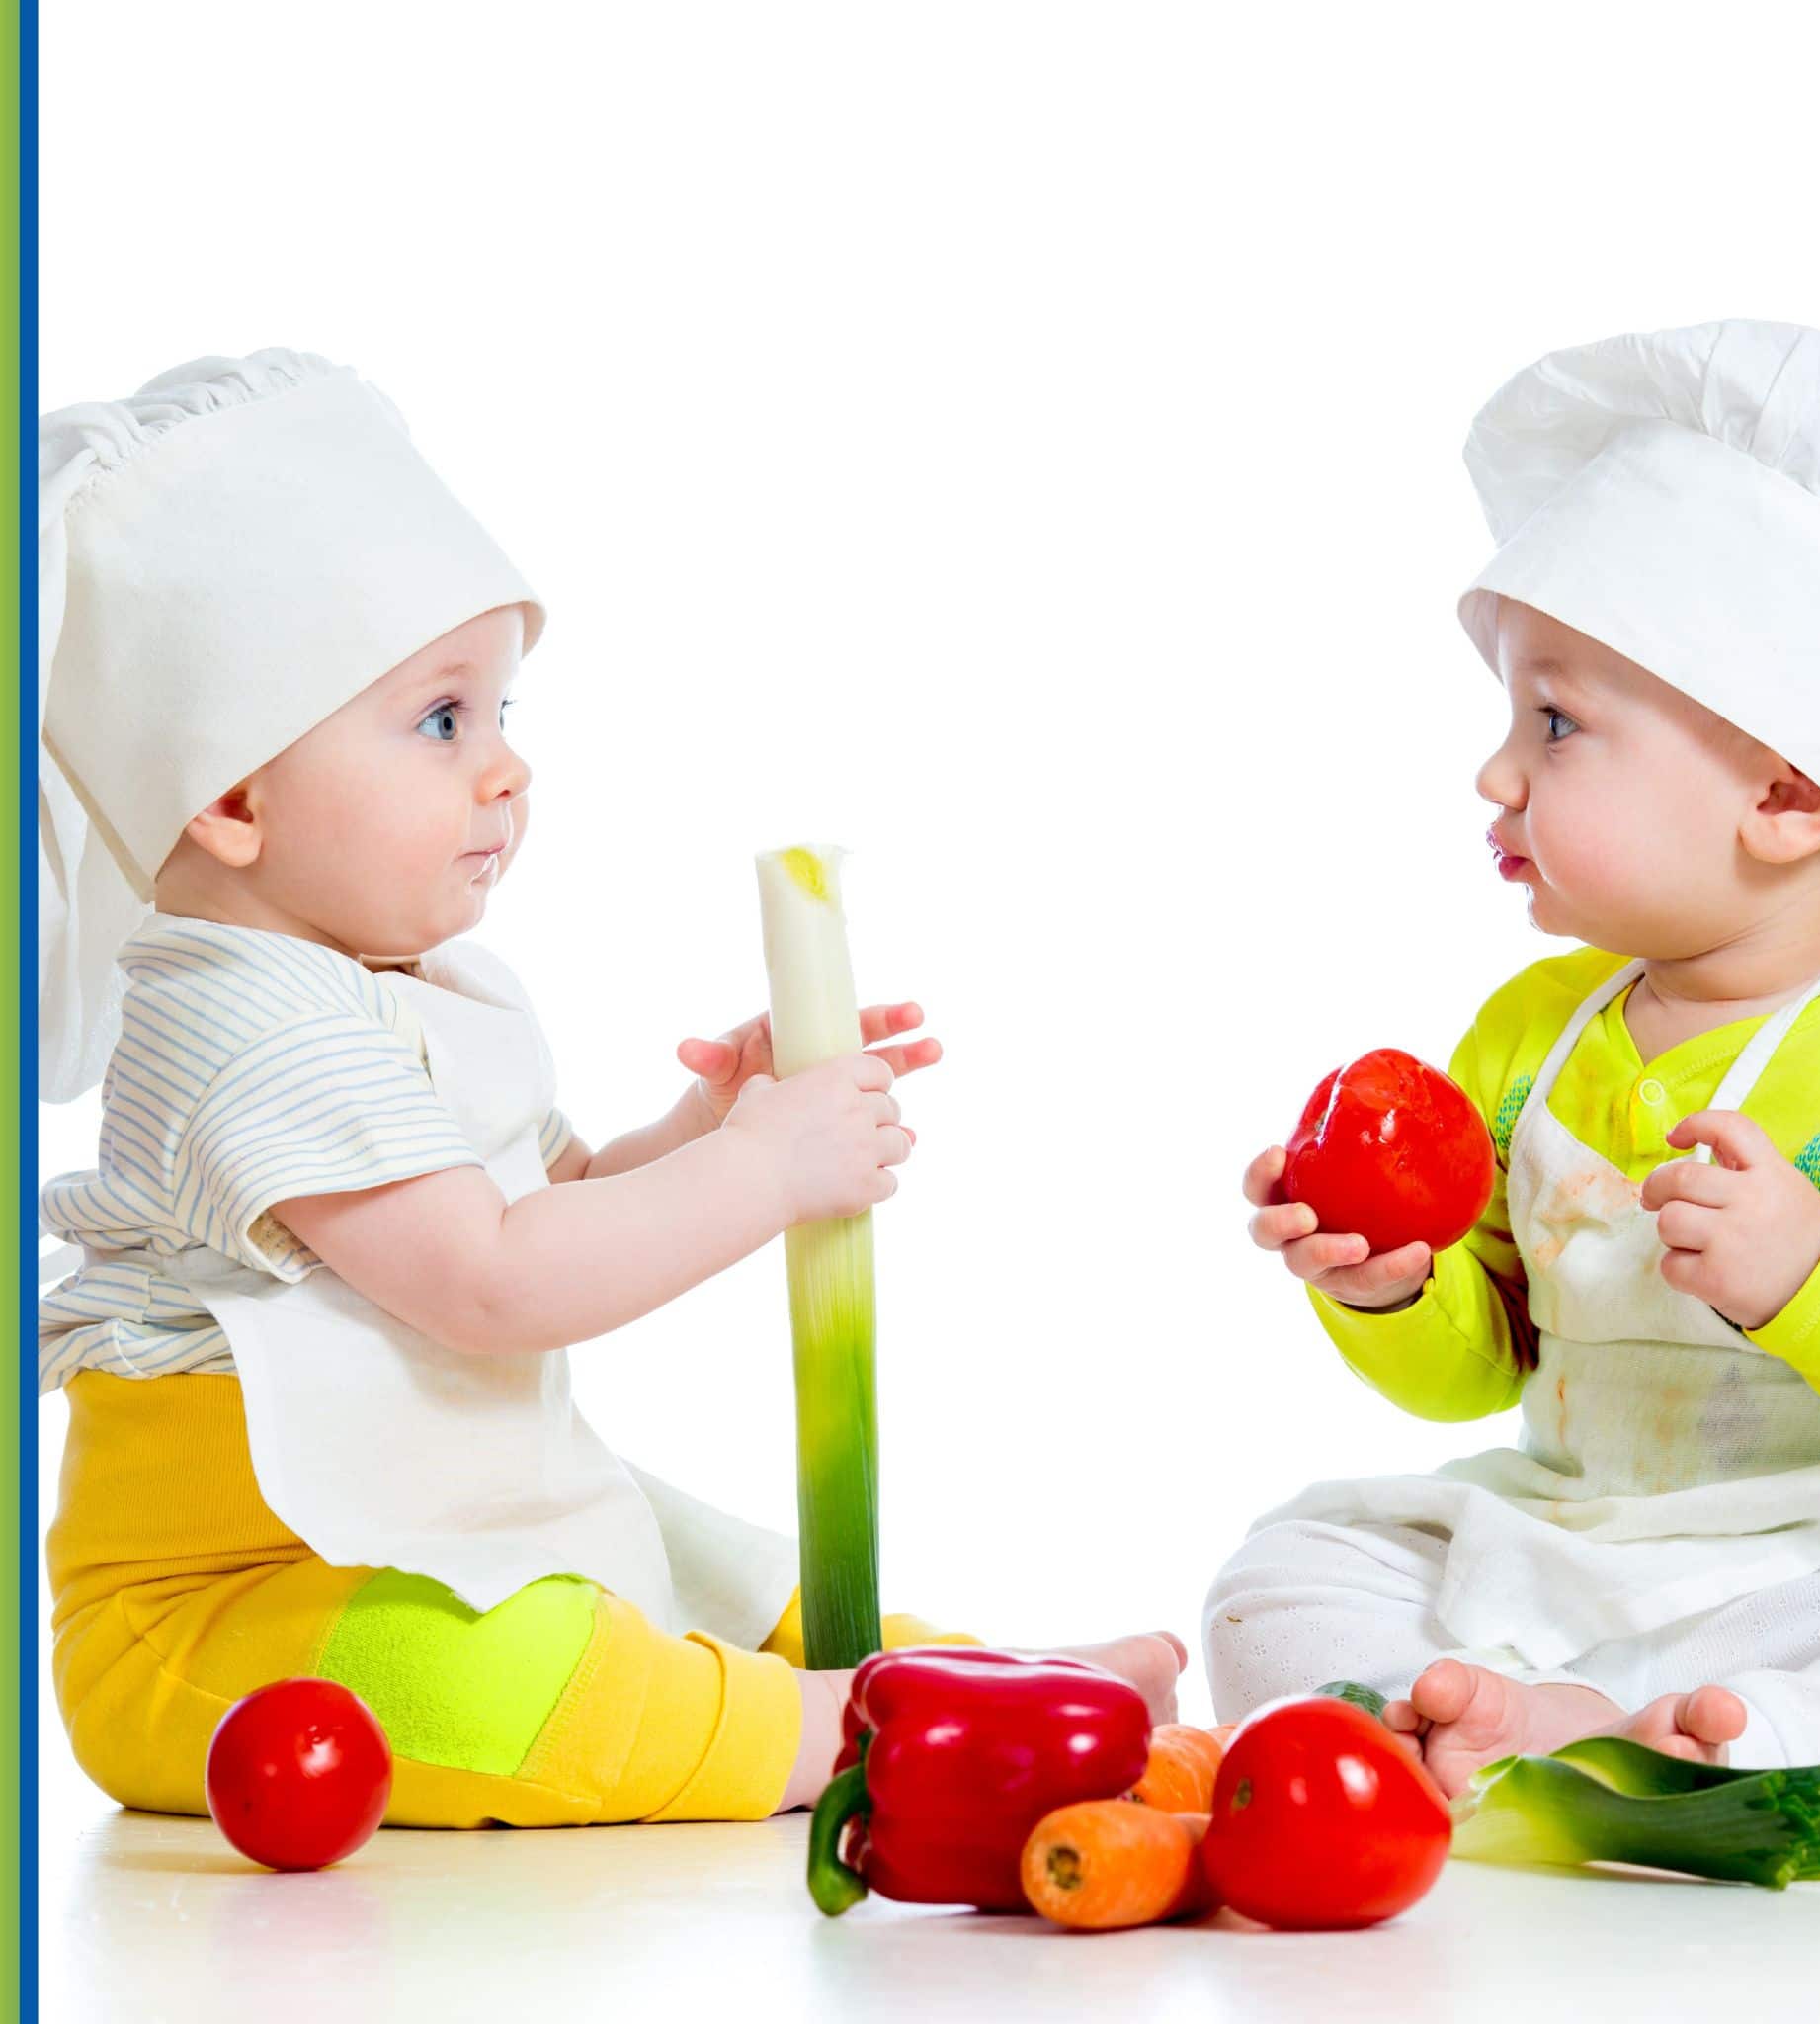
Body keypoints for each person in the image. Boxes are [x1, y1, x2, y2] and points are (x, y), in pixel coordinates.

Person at [38, 349, 1182, 1829]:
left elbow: (551, 1209)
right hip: (230, 1613)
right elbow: (495, 1287)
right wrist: (763, 1171)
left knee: (701, 1560)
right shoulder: (243, 1024)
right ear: (234, 795)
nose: (506, 770)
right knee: (519, 1679)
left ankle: (949, 1680)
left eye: (507, 714)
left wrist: (704, 1131)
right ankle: (853, 1735)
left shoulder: (400, 986)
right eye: (443, 720)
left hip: (405, 1532)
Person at [1207, 320, 1820, 1837]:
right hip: (1572, 1539)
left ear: (1790, 792)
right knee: (1285, 1570)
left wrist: (1819, 1277)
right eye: (1514, 717)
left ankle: (1737, 1730)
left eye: (1557, 723)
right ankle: (1515, 1727)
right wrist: (1386, 1286)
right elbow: (1481, 1362)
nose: (1496, 775)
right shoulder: (1534, 1032)